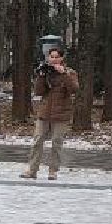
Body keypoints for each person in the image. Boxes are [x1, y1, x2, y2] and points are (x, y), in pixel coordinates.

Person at [21, 42, 78, 180]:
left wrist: (63, 74)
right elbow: (39, 92)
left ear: (61, 58)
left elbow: (74, 89)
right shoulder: (46, 72)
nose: (53, 59)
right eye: (51, 57)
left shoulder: (70, 72)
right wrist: (41, 76)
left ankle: (53, 170)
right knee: (37, 140)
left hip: (61, 114)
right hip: (44, 112)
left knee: (56, 142)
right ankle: (32, 170)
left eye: (56, 57)